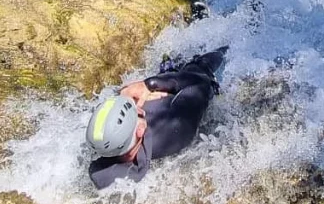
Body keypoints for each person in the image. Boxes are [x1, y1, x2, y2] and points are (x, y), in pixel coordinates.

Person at [86, 47, 227, 189]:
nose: (139, 108)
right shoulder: (172, 130)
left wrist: (125, 92)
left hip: (170, 91)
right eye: (137, 113)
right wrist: (150, 84)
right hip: (190, 92)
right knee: (202, 64)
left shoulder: (103, 157)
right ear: (140, 130)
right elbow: (202, 81)